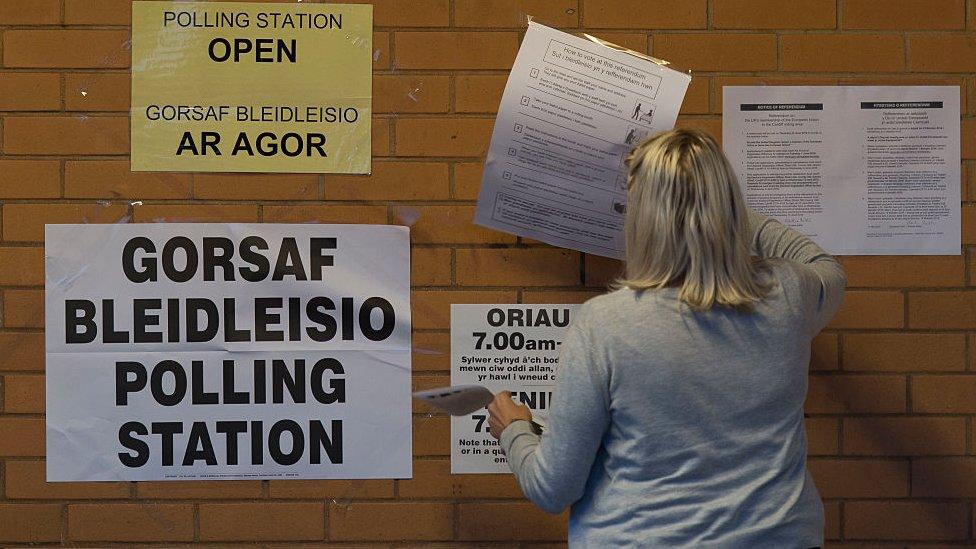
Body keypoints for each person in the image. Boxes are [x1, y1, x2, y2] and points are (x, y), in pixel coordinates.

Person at [487, 128, 845, 548]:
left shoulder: (605, 324)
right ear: (728, 205)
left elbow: (553, 488)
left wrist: (514, 430)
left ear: (642, 218)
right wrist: (713, 205)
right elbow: (825, 267)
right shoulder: (787, 295)